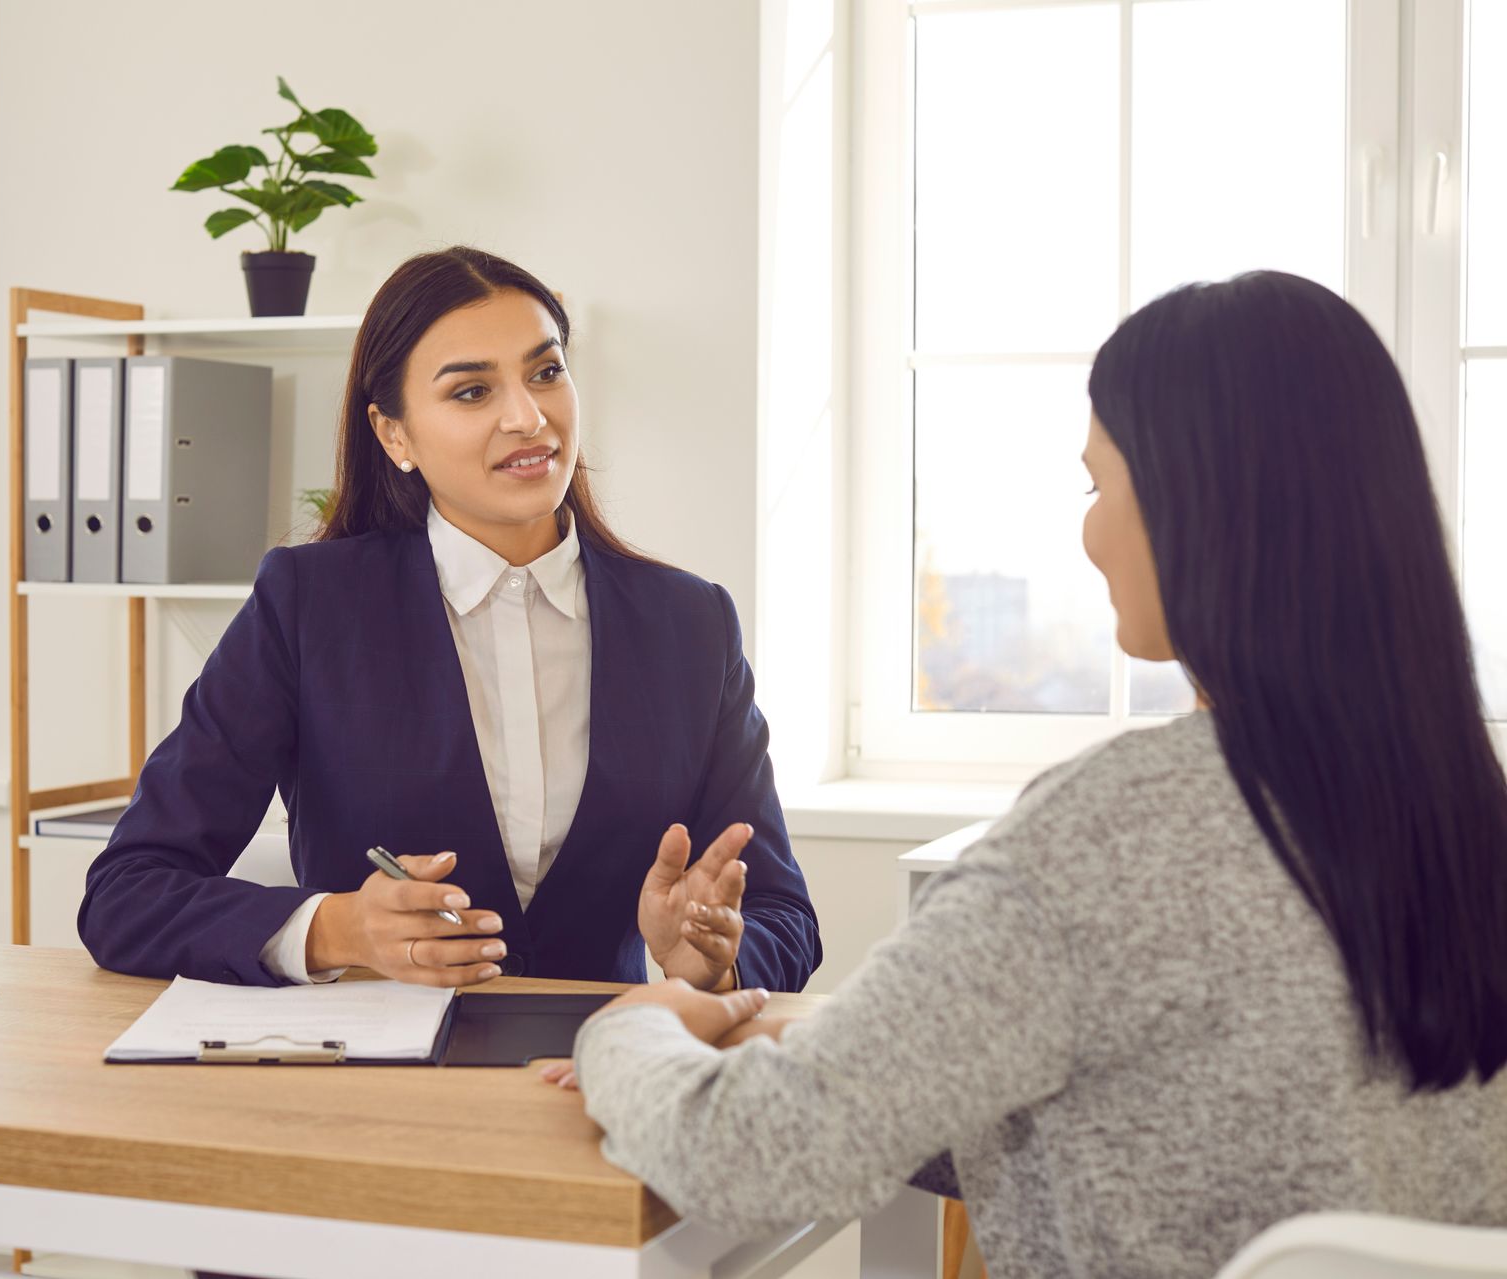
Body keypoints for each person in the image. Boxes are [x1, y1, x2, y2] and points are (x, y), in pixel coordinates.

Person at [564, 271, 1507, 1277]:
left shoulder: (1110, 833)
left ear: (1199, 508)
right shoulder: (1460, 812)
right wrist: (849, 1067)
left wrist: (634, 1033)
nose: (1090, 530)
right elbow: (1186, 1130)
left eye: (1099, 485)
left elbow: (752, 1160)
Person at [78, 246, 821, 992]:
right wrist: (338, 928)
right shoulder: (309, 606)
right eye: (471, 392)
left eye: (546, 372)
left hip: (604, 1075)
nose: (528, 417)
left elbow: (783, 914)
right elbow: (128, 890)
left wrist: (718, 960)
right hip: (380, 1083)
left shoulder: (691, 625)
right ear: (394, 434)